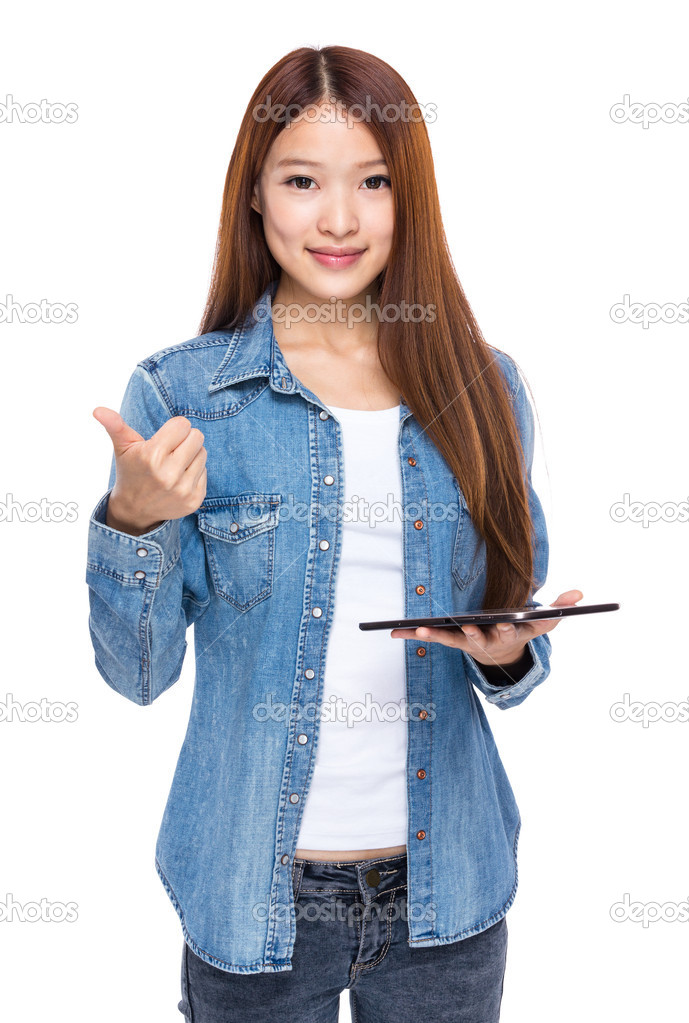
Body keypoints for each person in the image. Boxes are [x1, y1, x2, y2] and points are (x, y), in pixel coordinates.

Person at [86, 44, 582, 1023]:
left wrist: (502, 654)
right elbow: (134, 676)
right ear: (256, 197)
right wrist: (134, 521)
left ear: (411, 200)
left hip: (447, 901)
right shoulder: (184, 396)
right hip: (251, 899)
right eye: (303, 181)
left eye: (373, 182)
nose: (340, 219)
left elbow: (509, 634)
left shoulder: (484, 388)